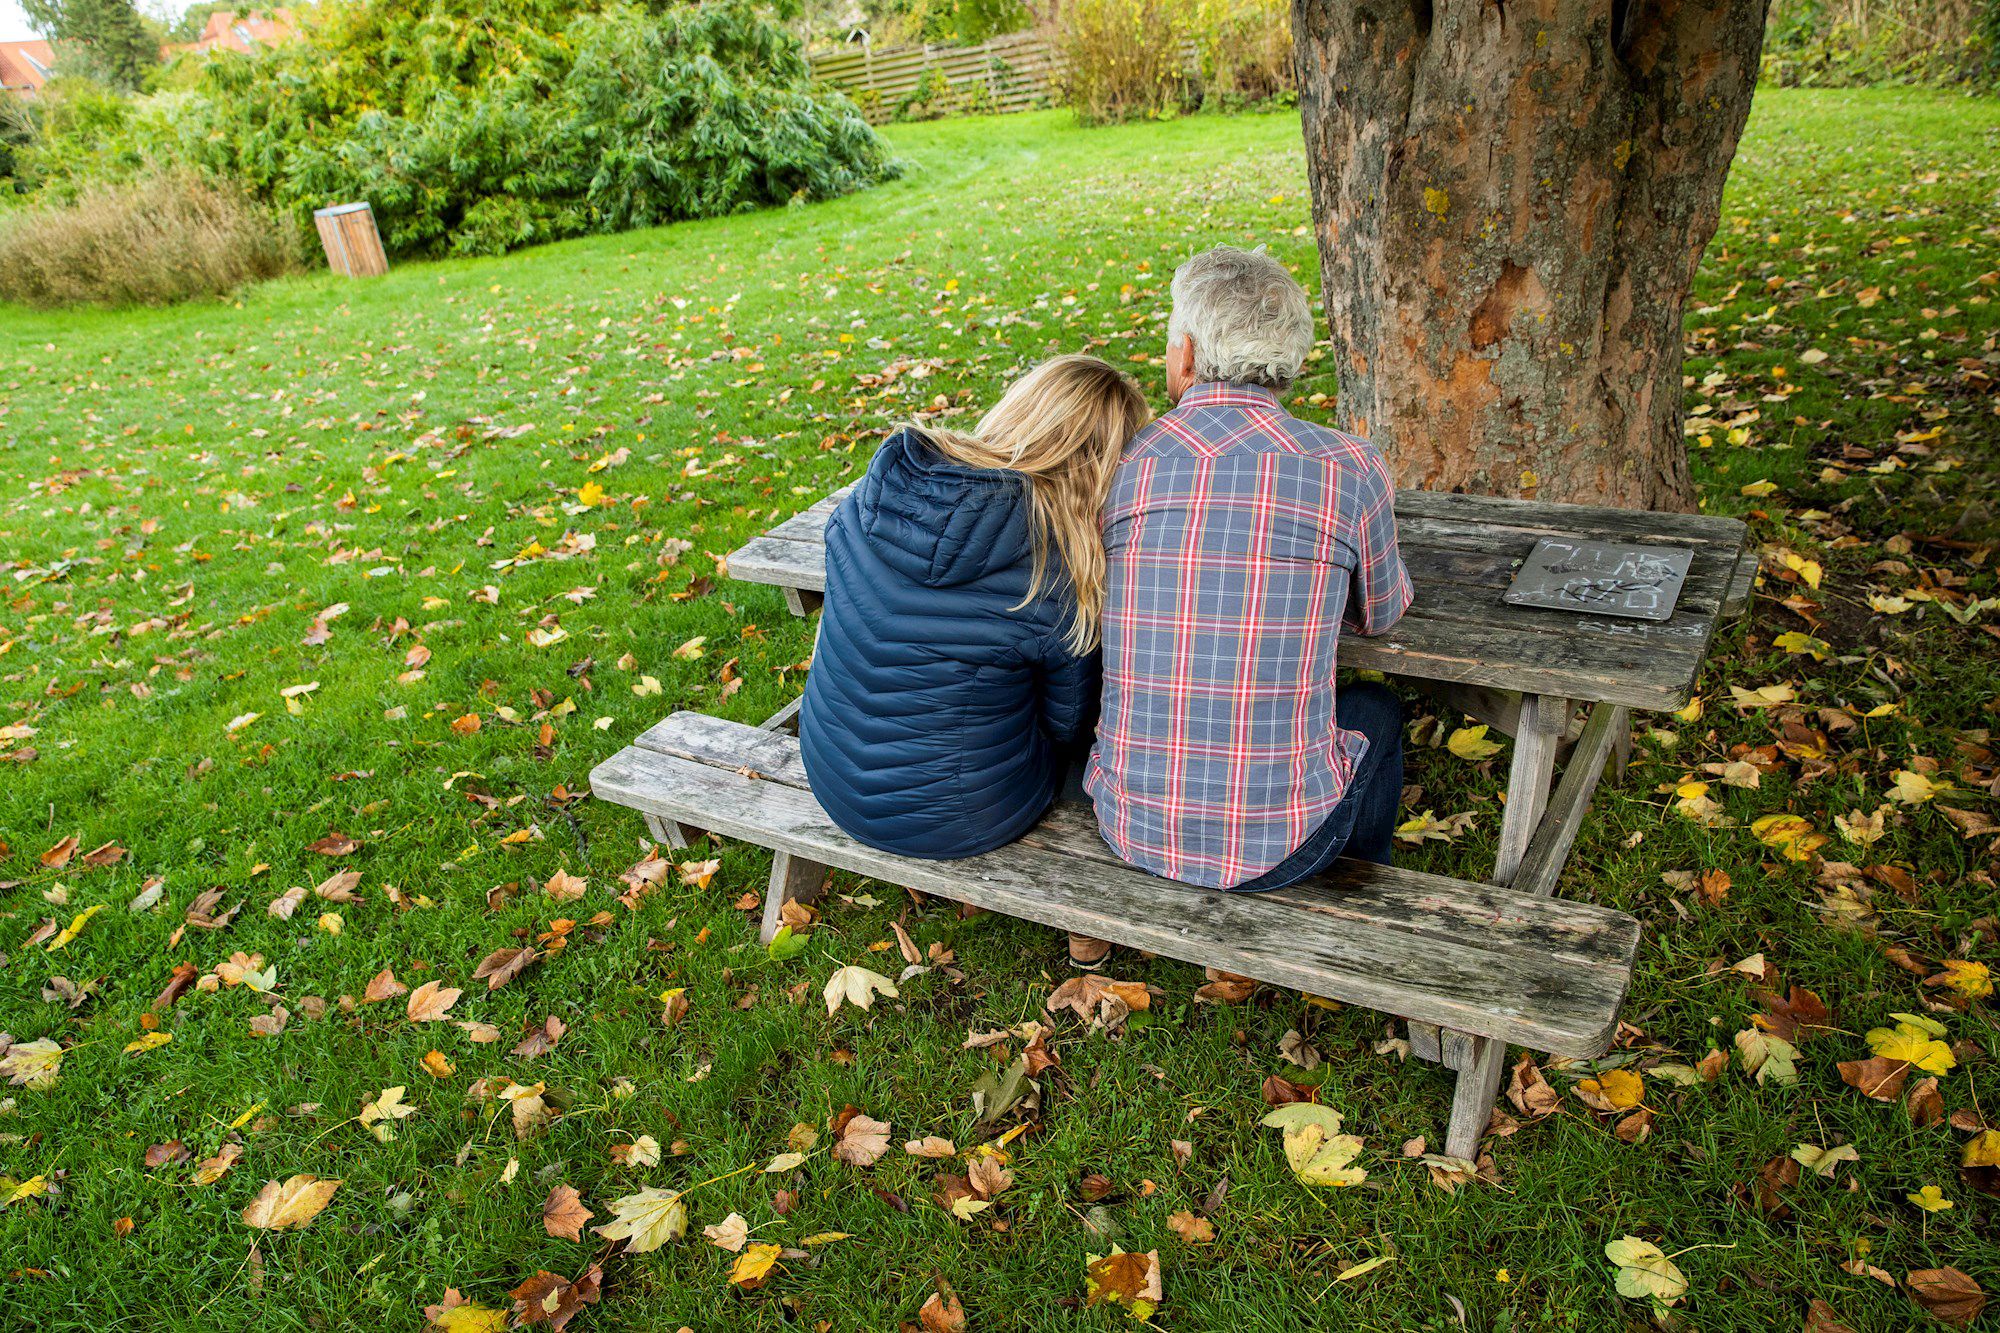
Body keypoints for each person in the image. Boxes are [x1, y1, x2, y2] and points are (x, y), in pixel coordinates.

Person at [1085, 245, 1414, 906]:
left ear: (1185, 355)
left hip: (1129, 822)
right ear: (1288, 360)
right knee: (1376, 708)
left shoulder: (1119, 464)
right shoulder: (1350, 466)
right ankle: (1362, 875)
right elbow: (1380, 614)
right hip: (1290, 843)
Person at [799, 354, 1151, 874]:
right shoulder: (1052, 577)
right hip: (960, 816)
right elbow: (1069, 725)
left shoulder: (871, 498)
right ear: (1101, 466)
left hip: (832, 773)